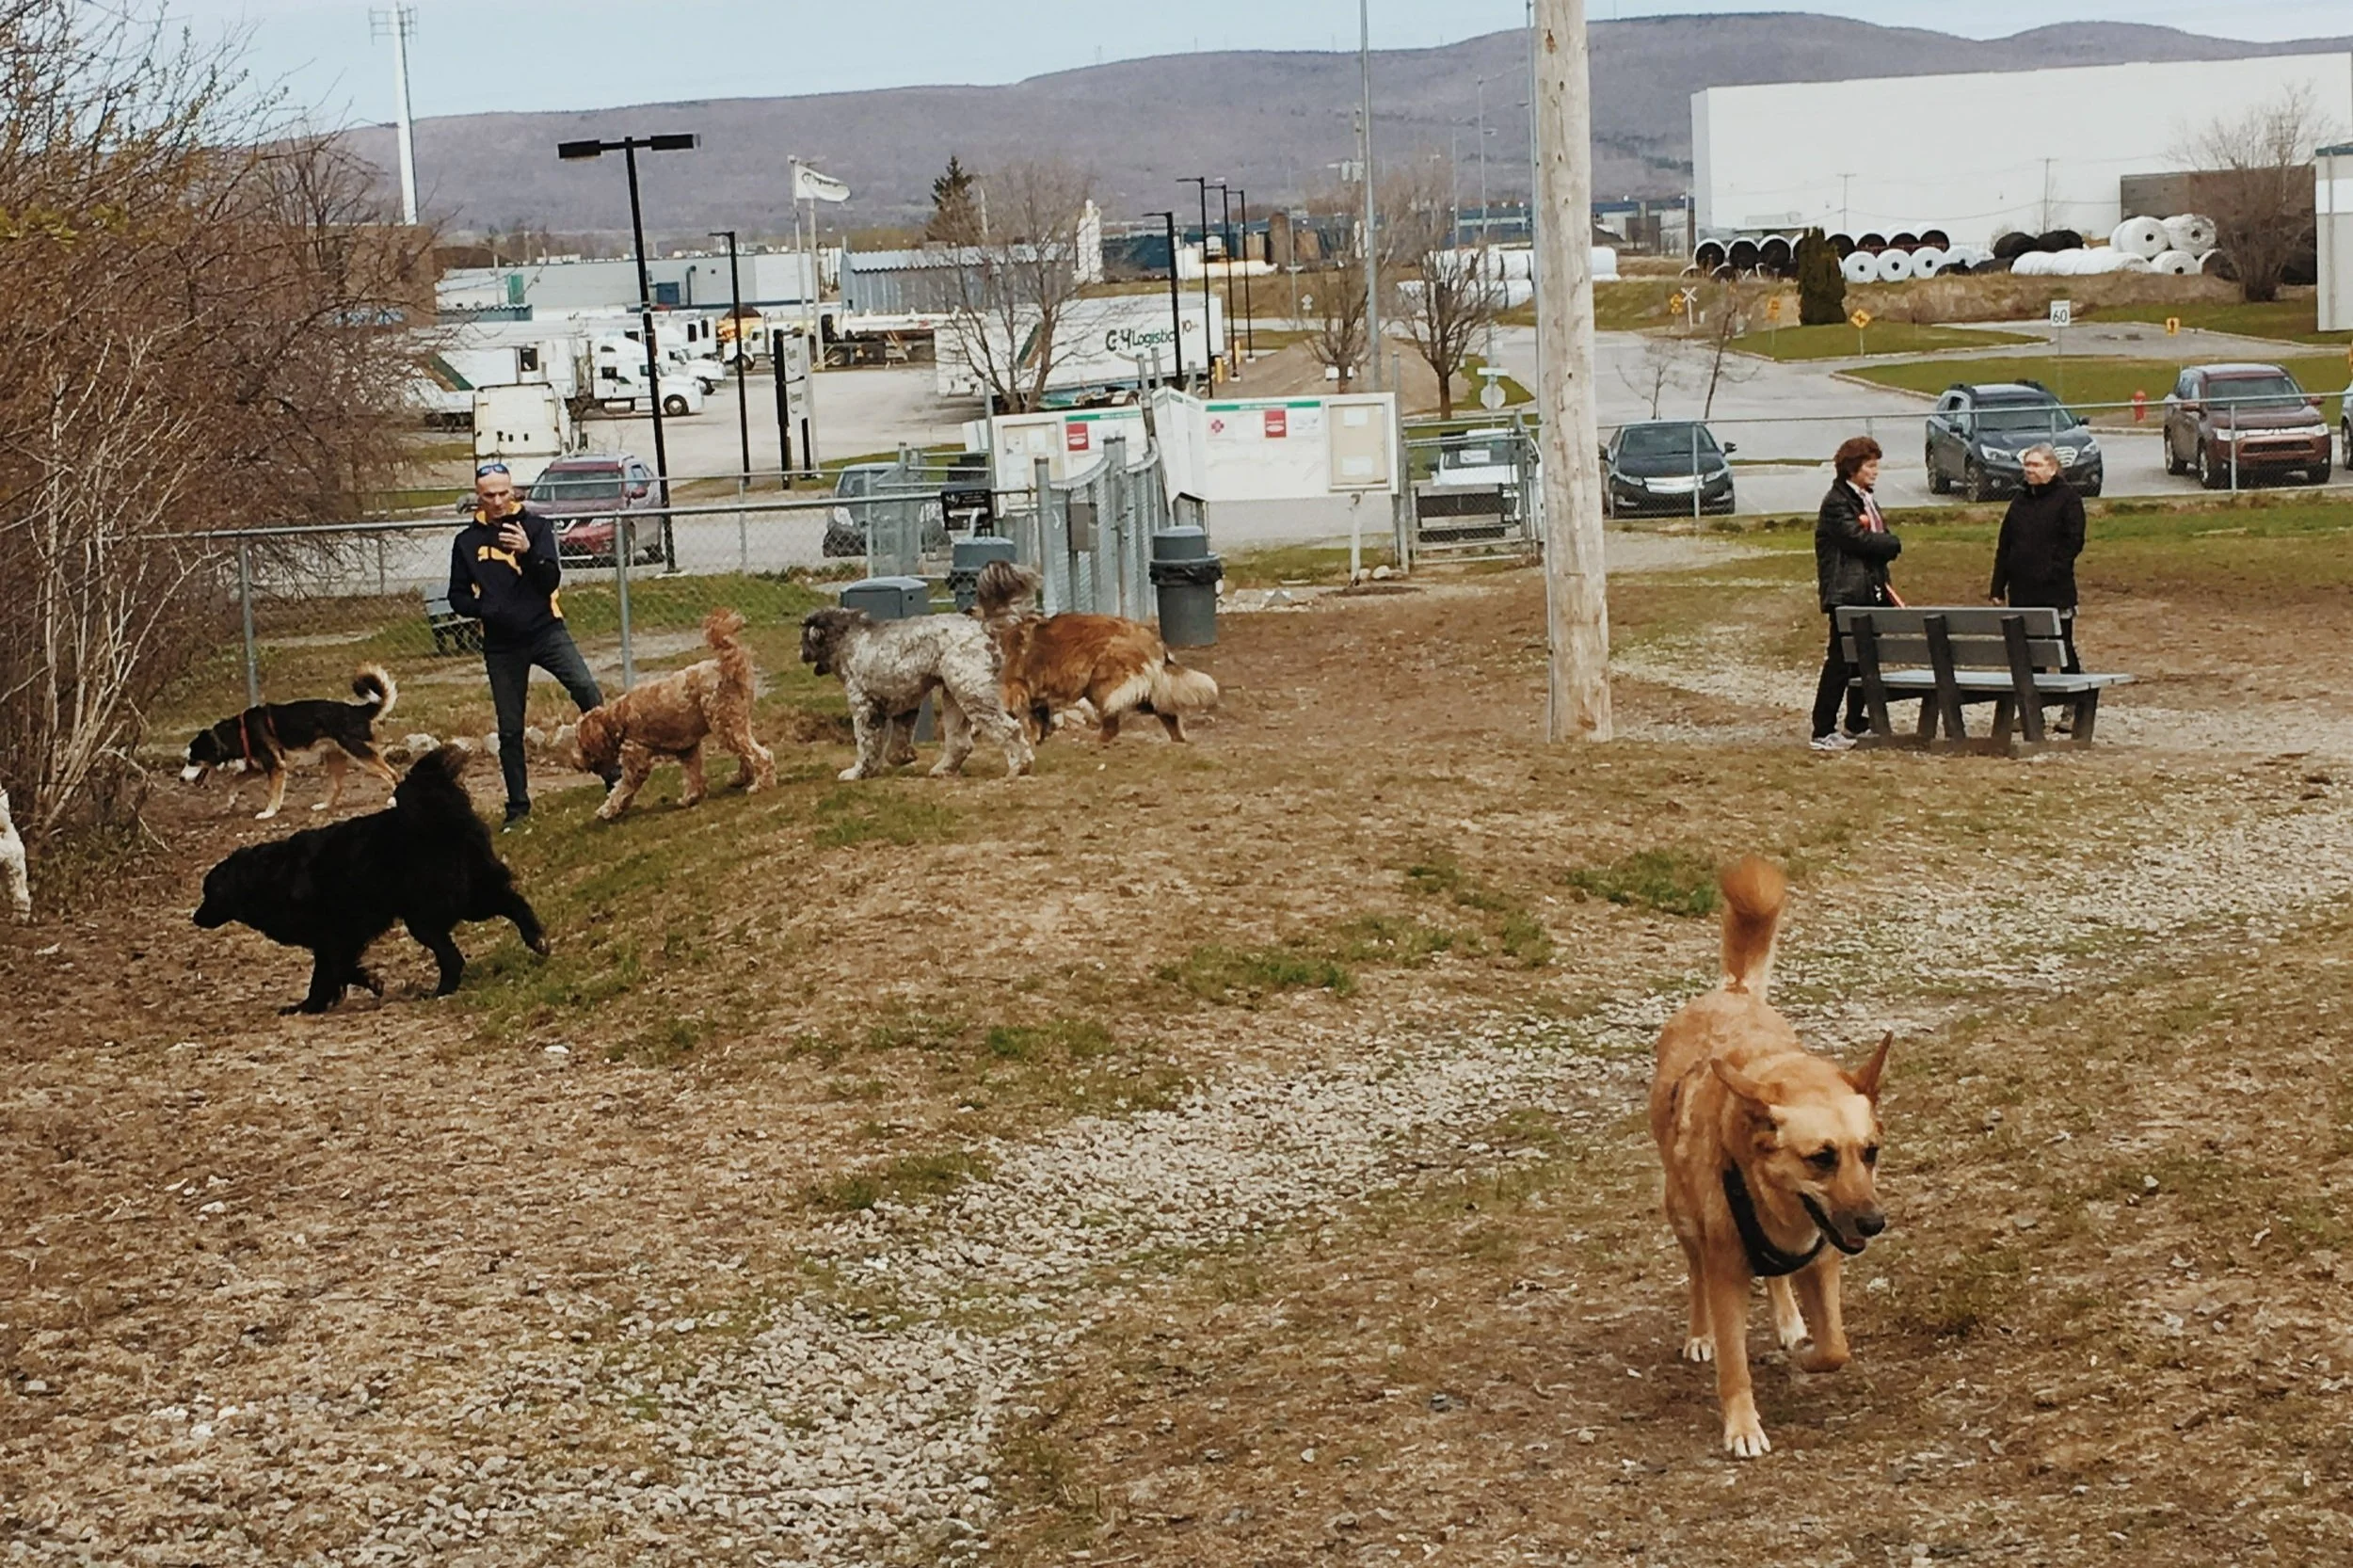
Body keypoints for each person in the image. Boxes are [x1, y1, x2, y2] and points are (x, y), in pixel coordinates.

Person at [448, 461, 613, 825]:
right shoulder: (467, 542)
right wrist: (484, 609)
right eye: (489, 495)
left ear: (513, 491)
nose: (497, 501)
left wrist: (526, 551)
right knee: (510, 728)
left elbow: (550, 579)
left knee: (587, 691)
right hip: (502, 646)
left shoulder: (536, 527)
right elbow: (456, 595)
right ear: (478, 496)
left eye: (503, 493)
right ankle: (518, 807)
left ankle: (614, 776)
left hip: (546, 631)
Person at [1809, 436, 1902, 753]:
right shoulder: (1837, 502)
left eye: (1876, 466)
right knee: (1840, 659)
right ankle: (1823, 728)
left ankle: (1856, 718)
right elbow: (1858, 541)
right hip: (1847, 592)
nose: (1875, 472)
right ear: (1852, 468)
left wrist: (1884, 543)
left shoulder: (1865, 499)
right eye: (1869, 466)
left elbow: (1877, 537)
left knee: (1865, 658)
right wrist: (1890, 544)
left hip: (1871, 589)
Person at [1989, 442, 2086, 675]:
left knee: (2062, 647)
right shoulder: (2020, 500)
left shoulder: (2068, 499)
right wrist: (1997, 586)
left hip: (2055, 590)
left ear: (2052, 468)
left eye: (2035, 465)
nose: (2029, 470)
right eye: (2027, 465)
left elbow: (2074, 541)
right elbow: (2005, 545)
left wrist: (2052, 570)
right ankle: (2034, 694)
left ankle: (2075, 693)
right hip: (2022, 590)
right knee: (2030, 651)